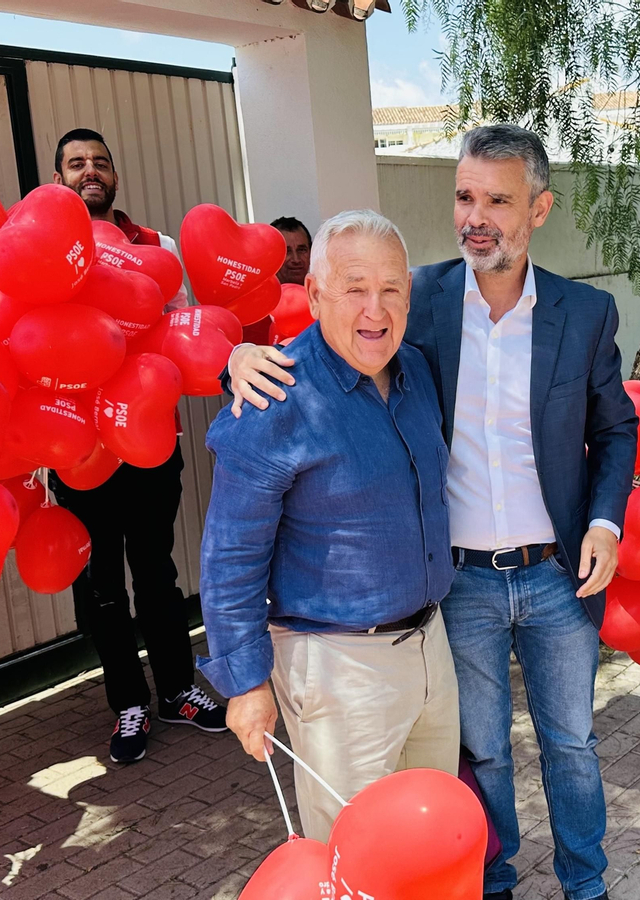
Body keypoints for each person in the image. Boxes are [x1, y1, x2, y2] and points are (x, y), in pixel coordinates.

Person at [228, 124, 637, 900]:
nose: (474, 216)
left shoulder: (585, 314)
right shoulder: (419, 296)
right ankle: (495, 880)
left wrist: (606, 522)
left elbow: (615, 428)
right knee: (480, 754)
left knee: (573, 745)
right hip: (462, 585)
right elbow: (327, 340)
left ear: (539, 209)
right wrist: (237, 359)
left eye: (497, 200)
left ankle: (588, 884)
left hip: (558, 577)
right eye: (463, 196)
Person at [199, 210, 458, 842]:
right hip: (339, 667)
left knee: (427, 841)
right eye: (354, 287)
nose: (376, 308)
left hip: (430, 644)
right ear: (314, 294)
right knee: (356, 856)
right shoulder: (274, 395)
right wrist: (246, 683)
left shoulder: (417, 372)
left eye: (392, 288)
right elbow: (230, 554)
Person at [49, 127, 226, 764]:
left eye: (100, 162)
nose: (90, 171)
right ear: (60, 177)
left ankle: (177, 690)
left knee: (155, 572)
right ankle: (128, 702)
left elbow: (180, 335)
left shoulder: (159, 247)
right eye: (77, 164)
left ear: (115, 176)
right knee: (101, 584)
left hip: (150, 437)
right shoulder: (45, 246)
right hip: (78, 448)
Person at [271, 215, 311, 286]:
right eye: (287, 251)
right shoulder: (257, 296)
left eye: (301, 250)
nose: (296, 260)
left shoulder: (324, 295)